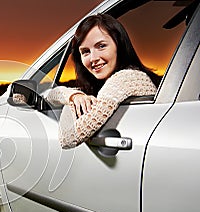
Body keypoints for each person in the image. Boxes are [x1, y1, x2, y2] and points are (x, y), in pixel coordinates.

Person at [43, 14, 159, 148]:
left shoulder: (126, 79)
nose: (93, 58)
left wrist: (70, 104)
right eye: (85, 51)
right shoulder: (106, 83)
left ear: (119, 45)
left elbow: (67, 138)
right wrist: (74, 96)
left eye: (101, 46)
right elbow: (49, 95)